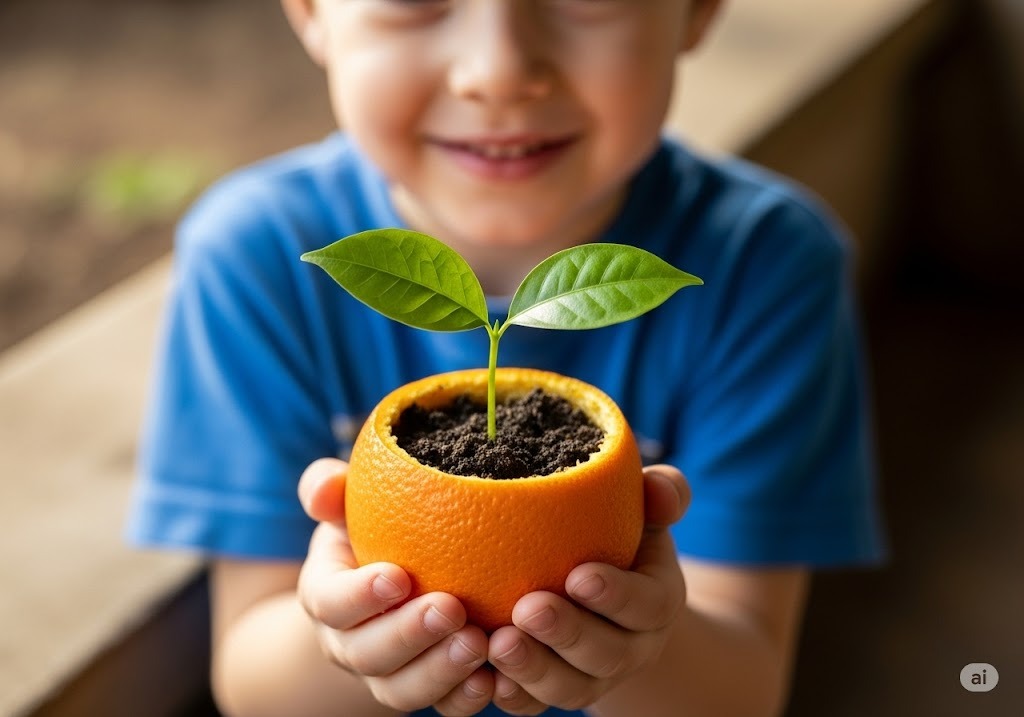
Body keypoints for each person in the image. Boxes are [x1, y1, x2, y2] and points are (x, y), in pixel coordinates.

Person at [127, 1, 885, 715]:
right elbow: (253, 680)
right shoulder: (258, 259)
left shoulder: (764, 265)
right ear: (312, 12)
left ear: (699, 8)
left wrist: (639, 647)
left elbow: (741, 685)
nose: (498, 70)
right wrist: (347, 636)